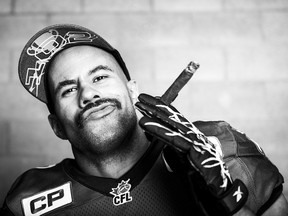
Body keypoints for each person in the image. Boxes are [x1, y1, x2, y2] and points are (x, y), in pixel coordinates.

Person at [1, 24, 287, 216]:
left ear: (132, 90)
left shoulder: (221, 146)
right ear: (56, 126)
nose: (88, 93)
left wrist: (231, 203)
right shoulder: (26, 202)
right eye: (69, 89)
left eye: (100, 76)